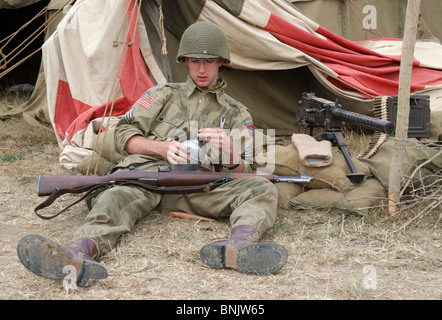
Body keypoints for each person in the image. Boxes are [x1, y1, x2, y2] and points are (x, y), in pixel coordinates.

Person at [17, 21, 288, 287]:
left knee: (262, 188)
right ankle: (78, 253)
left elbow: (246, 172)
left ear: (221, 62)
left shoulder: (236, 113)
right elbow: (121, 135)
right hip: (145, 178)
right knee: (113, 198)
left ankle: (237, 248)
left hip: (198, 188)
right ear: (184, 62)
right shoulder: (163, 95)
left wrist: (231, 156)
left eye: (209, 61)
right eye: (195, 61)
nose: (202, 68)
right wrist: (162, 148)